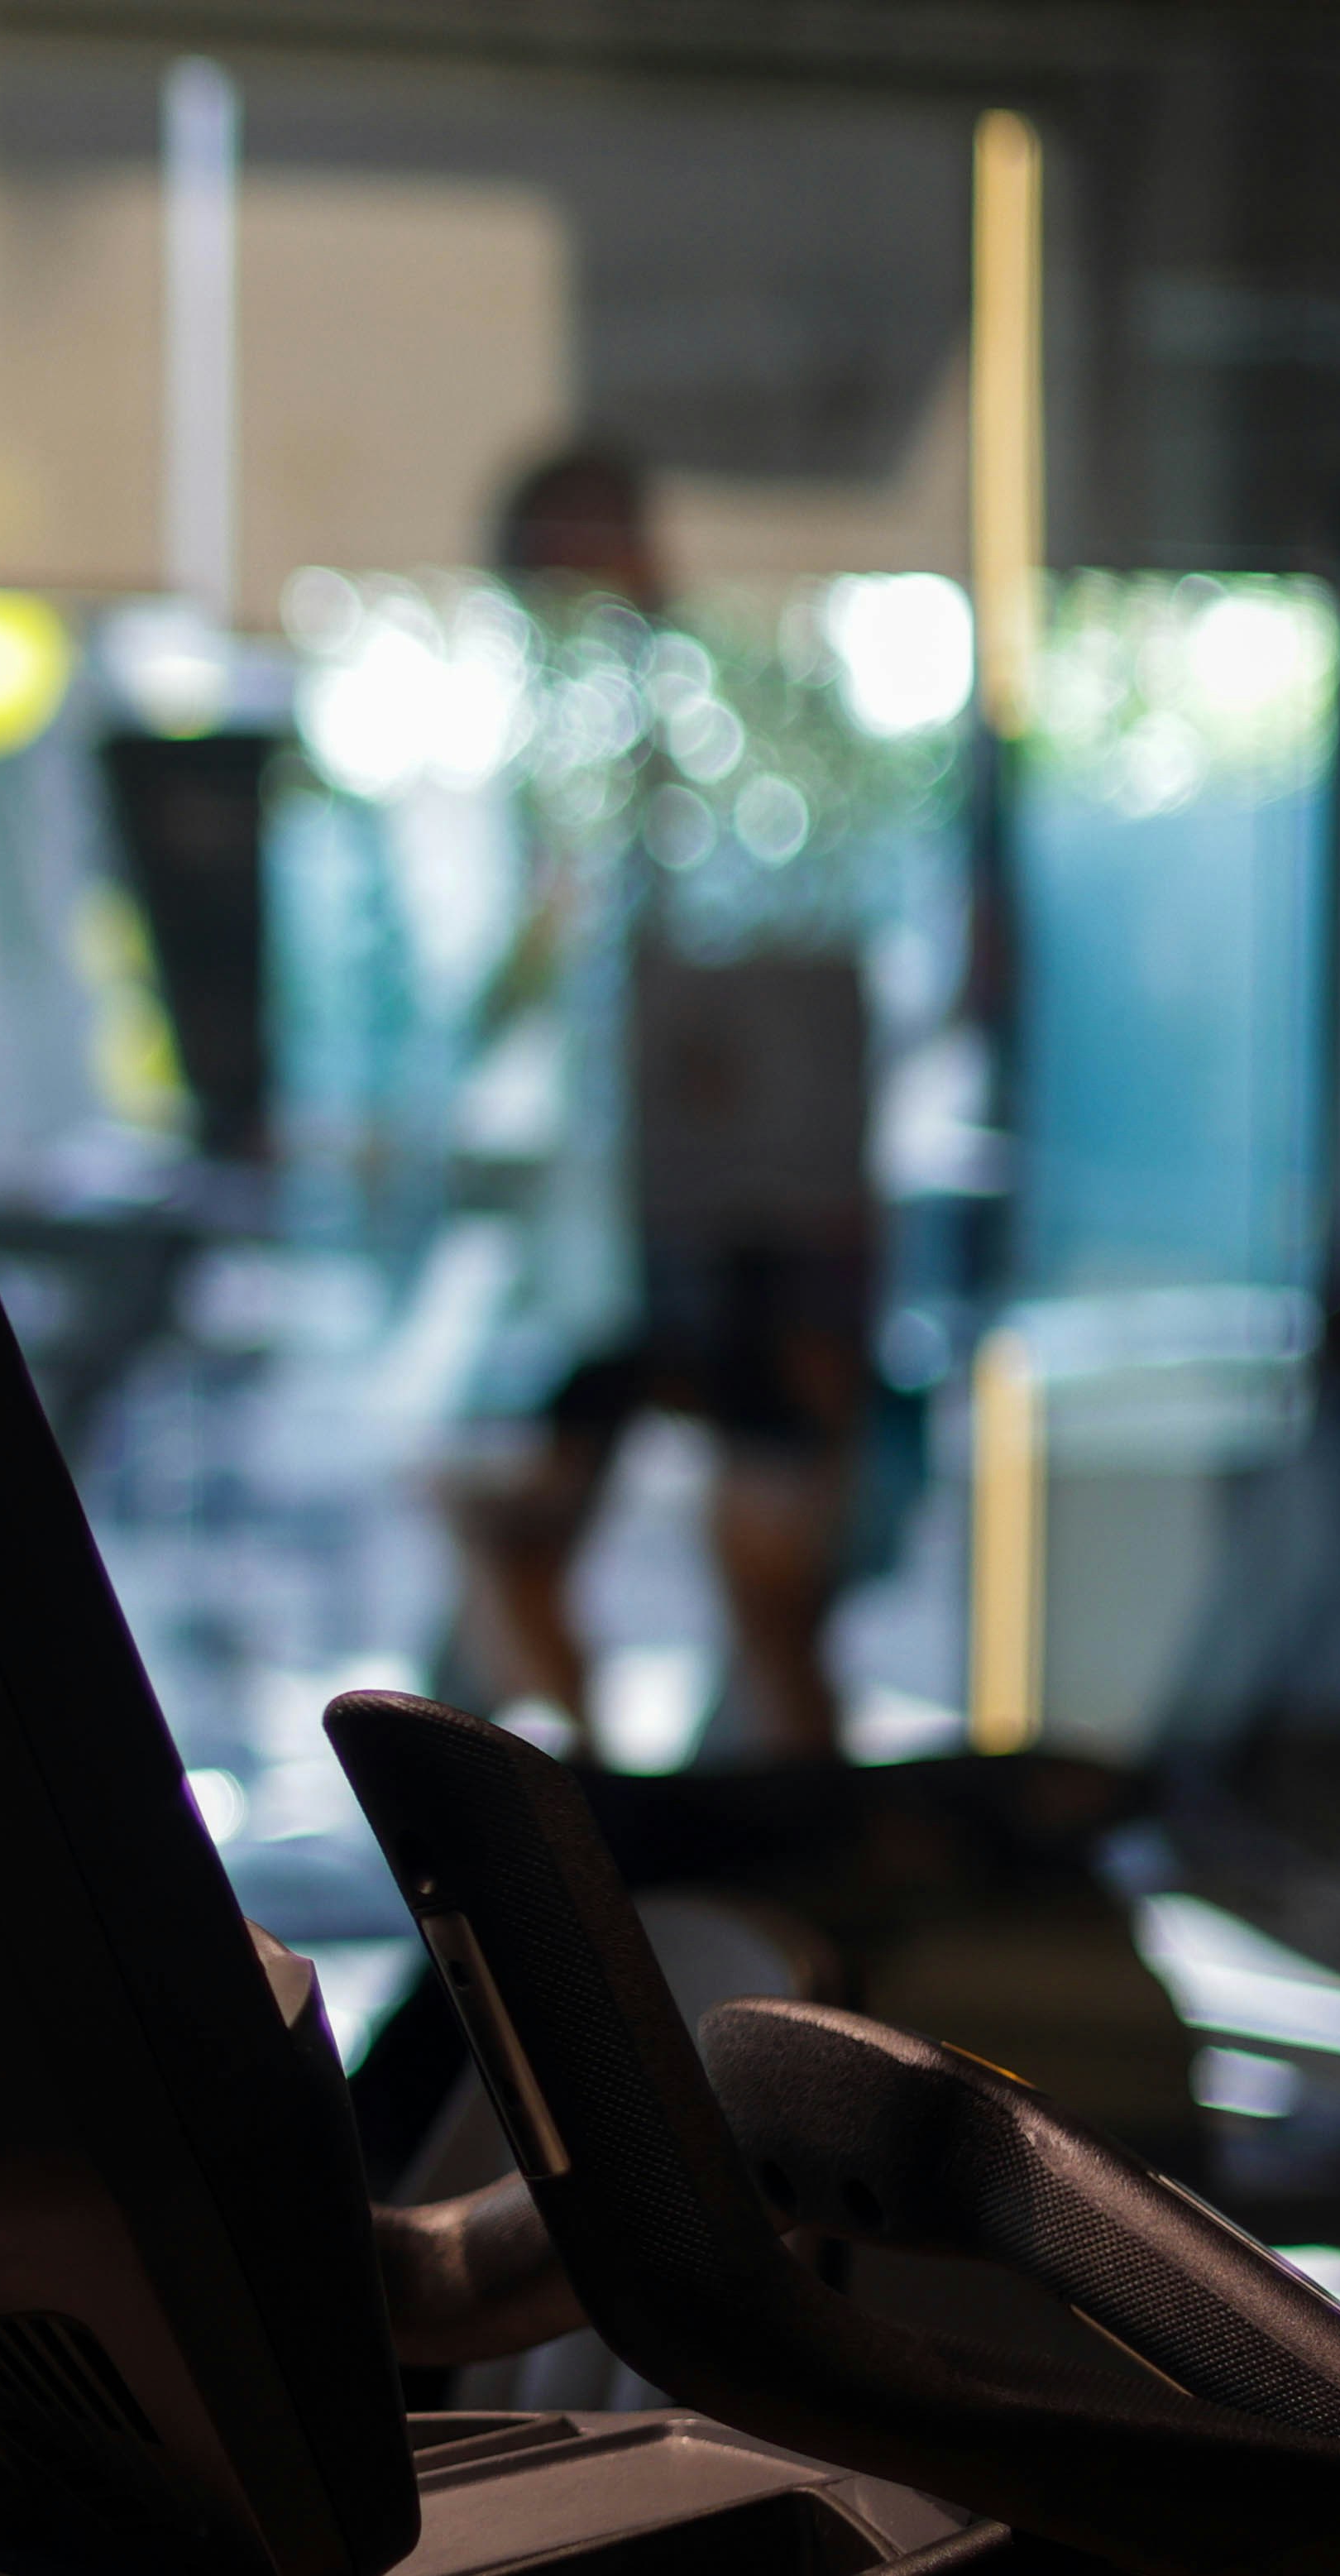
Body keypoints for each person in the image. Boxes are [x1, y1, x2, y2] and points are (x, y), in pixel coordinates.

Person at [442, 447, 884, 1766]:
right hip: (643, 1233)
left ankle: (793, 1866)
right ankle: (602, 1837)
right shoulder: (587, 731)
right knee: (518, 1529)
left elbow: (797, 994)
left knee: (768, 1587)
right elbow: (553, 968)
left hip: (762, 1221)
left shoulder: (745, 709)